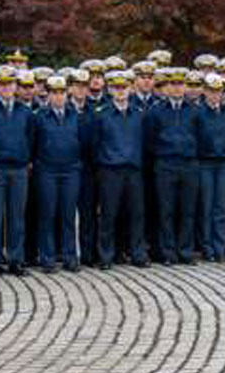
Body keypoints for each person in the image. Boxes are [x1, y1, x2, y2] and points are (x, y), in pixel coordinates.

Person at [0, 69, 36, 276]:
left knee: (17, 217)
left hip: (18, 169)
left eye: (10, 84)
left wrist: (25, 158)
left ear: (15, 86)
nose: (6, 88)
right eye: (2, 84)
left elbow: (30, 138)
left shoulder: (25, 112)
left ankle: (15, 260)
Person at [86, 71, 147, 267]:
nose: (121, 91)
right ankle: (106, 256)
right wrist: (103, 164)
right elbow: (94, 144)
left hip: (134, 170)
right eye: (117, 88)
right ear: (110, 90)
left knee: (136, 214)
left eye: (124, 87)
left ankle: (137, 254)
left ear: (130, 89)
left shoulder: (139, 113)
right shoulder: (101, 114)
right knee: (108, 214)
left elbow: (145, 142)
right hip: (110, 171)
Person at [30, 74, 90, 271]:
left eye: (62, 92)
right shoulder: (39, 116)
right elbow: (33, 143)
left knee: (68, 216)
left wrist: (77, 164)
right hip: (47, 171)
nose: (58, 96)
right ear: (48, 94)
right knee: (47, 215)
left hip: (71, 171)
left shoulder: (75, 116)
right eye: (54, 92)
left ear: (67, 93)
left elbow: (83, 143)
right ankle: (47, 258)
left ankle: (69, 256)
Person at [146, 70, 202, 265]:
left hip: (189, 164)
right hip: (165, 165)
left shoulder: (195, 110)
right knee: (166, 210)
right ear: (167, 87)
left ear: (185, 86)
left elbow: (201, 137)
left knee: (188, 211)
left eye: (180, 84)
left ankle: (185, 252)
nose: (177, 88)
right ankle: (168, 253)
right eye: (173, 84)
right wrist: (163, 152)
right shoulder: (156, 111)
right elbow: (149, 139)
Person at [194, 74, 225, 262]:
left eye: (219, 91)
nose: (215, 95)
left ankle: (220, 247)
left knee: (221, 208)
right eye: (211, 91)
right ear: (205, 91)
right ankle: (207, 248)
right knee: (206, 207)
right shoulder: (197, 113)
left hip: (224, 164)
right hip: (205, 163)